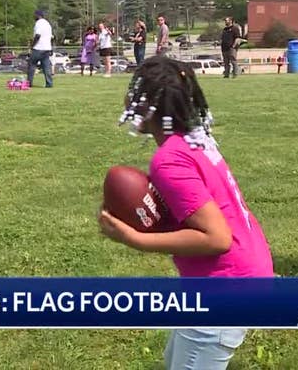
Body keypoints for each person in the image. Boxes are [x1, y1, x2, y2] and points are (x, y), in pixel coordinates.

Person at [100, 56, 273, 369]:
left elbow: (216, 238)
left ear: (148, 103)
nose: (127, 99)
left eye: (134, 91)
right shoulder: (196, 141)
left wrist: (135, 238)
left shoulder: (169, 160)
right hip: (244, 270)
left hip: (226, 287)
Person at [29, 10, 54, 88]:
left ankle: (29, 83)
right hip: (46, 48)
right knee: (46, 67)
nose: (34, 17)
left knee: (32, 65)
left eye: (34, 15)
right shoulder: (47, 24)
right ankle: (49, 83)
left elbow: (38, 35)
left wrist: (32, 45)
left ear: (38, 15)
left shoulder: (39, 23)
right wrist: (51, 48)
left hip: (38, 48)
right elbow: (51, 37)